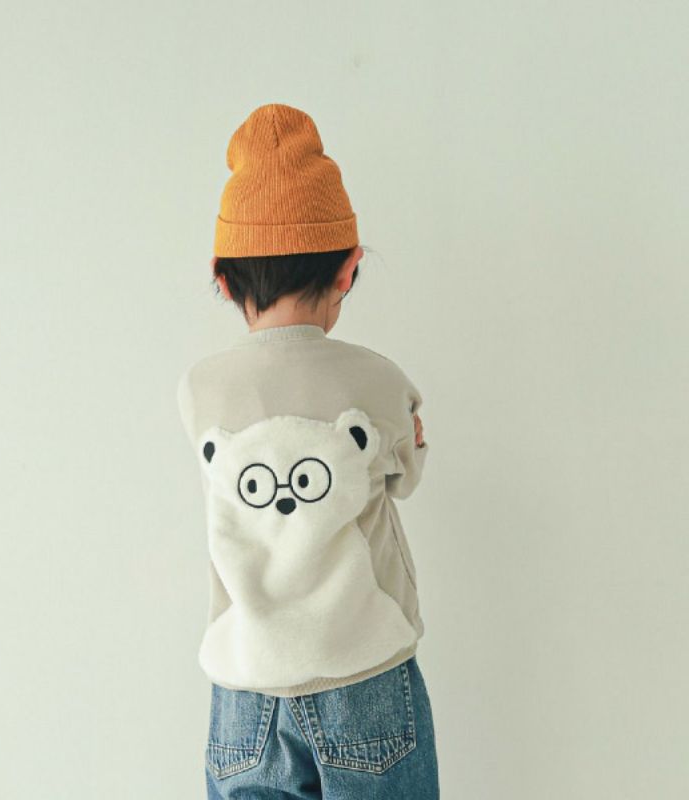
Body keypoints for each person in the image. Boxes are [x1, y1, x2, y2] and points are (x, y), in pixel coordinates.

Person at [177, 102, 439, 799]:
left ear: (223, 278)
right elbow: (405, 476)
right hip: (362, 672)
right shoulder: (377, 380)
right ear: (348, 268)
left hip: (244, 690)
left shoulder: (199, 388)